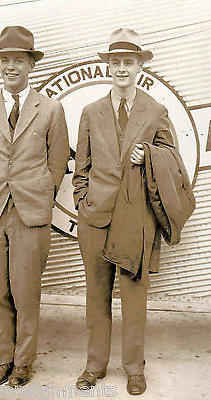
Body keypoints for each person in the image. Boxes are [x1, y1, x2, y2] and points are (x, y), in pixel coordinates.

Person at [73, 28, 195, 395]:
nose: (122, 68)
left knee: (134, 297)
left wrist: (150, 155)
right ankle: (94, 366)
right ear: (108, 67)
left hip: (137, 221)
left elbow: (174, 160)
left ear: (140, 66)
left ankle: (134, 368)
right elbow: (81, 167)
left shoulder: (156, 110)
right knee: (96, 296)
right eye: (116, 62)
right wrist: (84, 201)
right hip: (95, 220)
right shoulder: (90, 111)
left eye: (128, 62)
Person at [0, 26, 69, 388]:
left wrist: (39, 192)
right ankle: (3, 359)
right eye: (5, 60)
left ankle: (24, 363)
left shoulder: (51, 109)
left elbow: (58, 162)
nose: (10, 66)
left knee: (26, 292)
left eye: (18, 60)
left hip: (31, 214)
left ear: (31, 64)